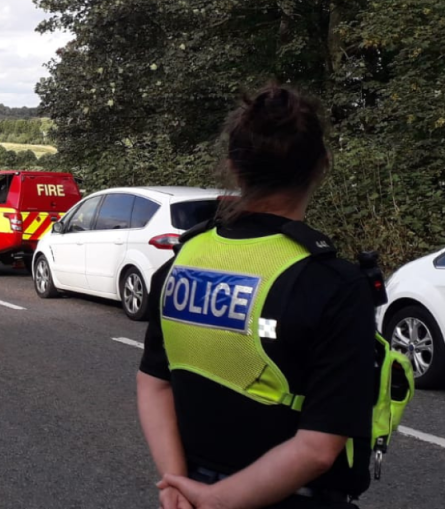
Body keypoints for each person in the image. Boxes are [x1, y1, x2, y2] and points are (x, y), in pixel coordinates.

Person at [137, 84, 375, 509]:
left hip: (188, 489)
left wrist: (176, 481)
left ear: (232, 166)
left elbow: (155, 383)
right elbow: (320, 448)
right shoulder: (335, 284)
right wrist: (218, 500)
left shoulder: (183, 261)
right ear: (323, 165)